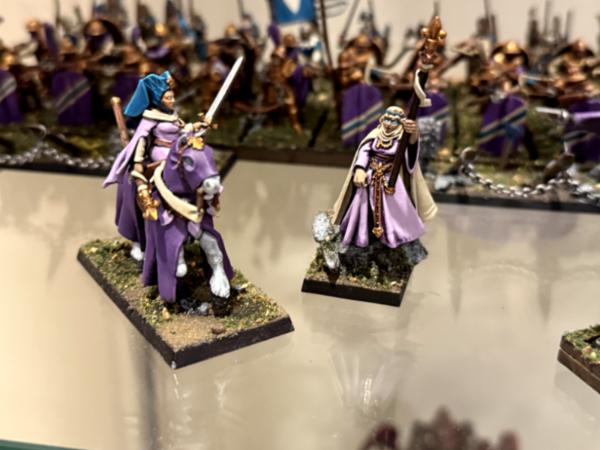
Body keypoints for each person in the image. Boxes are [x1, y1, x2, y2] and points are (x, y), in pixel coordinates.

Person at [103, 71, 207, 261]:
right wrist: (138, 166)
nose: (172, 100)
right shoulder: (150, 118)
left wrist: (195, 127)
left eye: (172, 97)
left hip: (176, 154)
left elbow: (182, 130)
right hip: (159, 157)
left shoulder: (172, 115)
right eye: (168, 98)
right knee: (140, 196)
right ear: (159, 100)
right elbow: (141, 140)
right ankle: (138, 240)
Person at [332, 106, 437, 250]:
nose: (389, 124)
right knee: (362, 206)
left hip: (390, 179)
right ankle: (361, 234)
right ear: (382, 119)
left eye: (394, 121)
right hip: (370, 176)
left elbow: (411, 149)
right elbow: (364, 151)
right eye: (387, 119)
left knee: (395, 208)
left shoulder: (401, 137)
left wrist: (413, 134)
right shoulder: (376, 134)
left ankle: (394, 235)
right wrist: (360, 169)